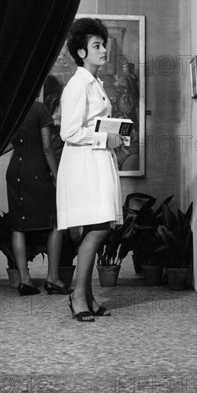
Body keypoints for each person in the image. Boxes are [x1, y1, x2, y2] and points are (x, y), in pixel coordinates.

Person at [56, 17, 125, 322]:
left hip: (97, 161)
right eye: (96, 45)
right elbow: (68, 132)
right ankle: (77, 297)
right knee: (97, 228)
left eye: (103, 44)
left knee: (98, 227)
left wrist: (115, 137)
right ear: (82, 52)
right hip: (83, 164)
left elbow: (93, 125)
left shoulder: (95, 83)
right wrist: (103, 137)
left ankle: (86, 296)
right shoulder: (76, 85)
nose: (103, 50)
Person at [4, 101, 69, 296]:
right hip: (37, 171)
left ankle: (25, 280)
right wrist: (57, 175)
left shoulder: (14, 108)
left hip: (15, 172)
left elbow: (7, 145)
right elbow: (47, 147)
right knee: (57, 222)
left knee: (18, 225)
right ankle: (53, 278)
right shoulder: (40, 109)